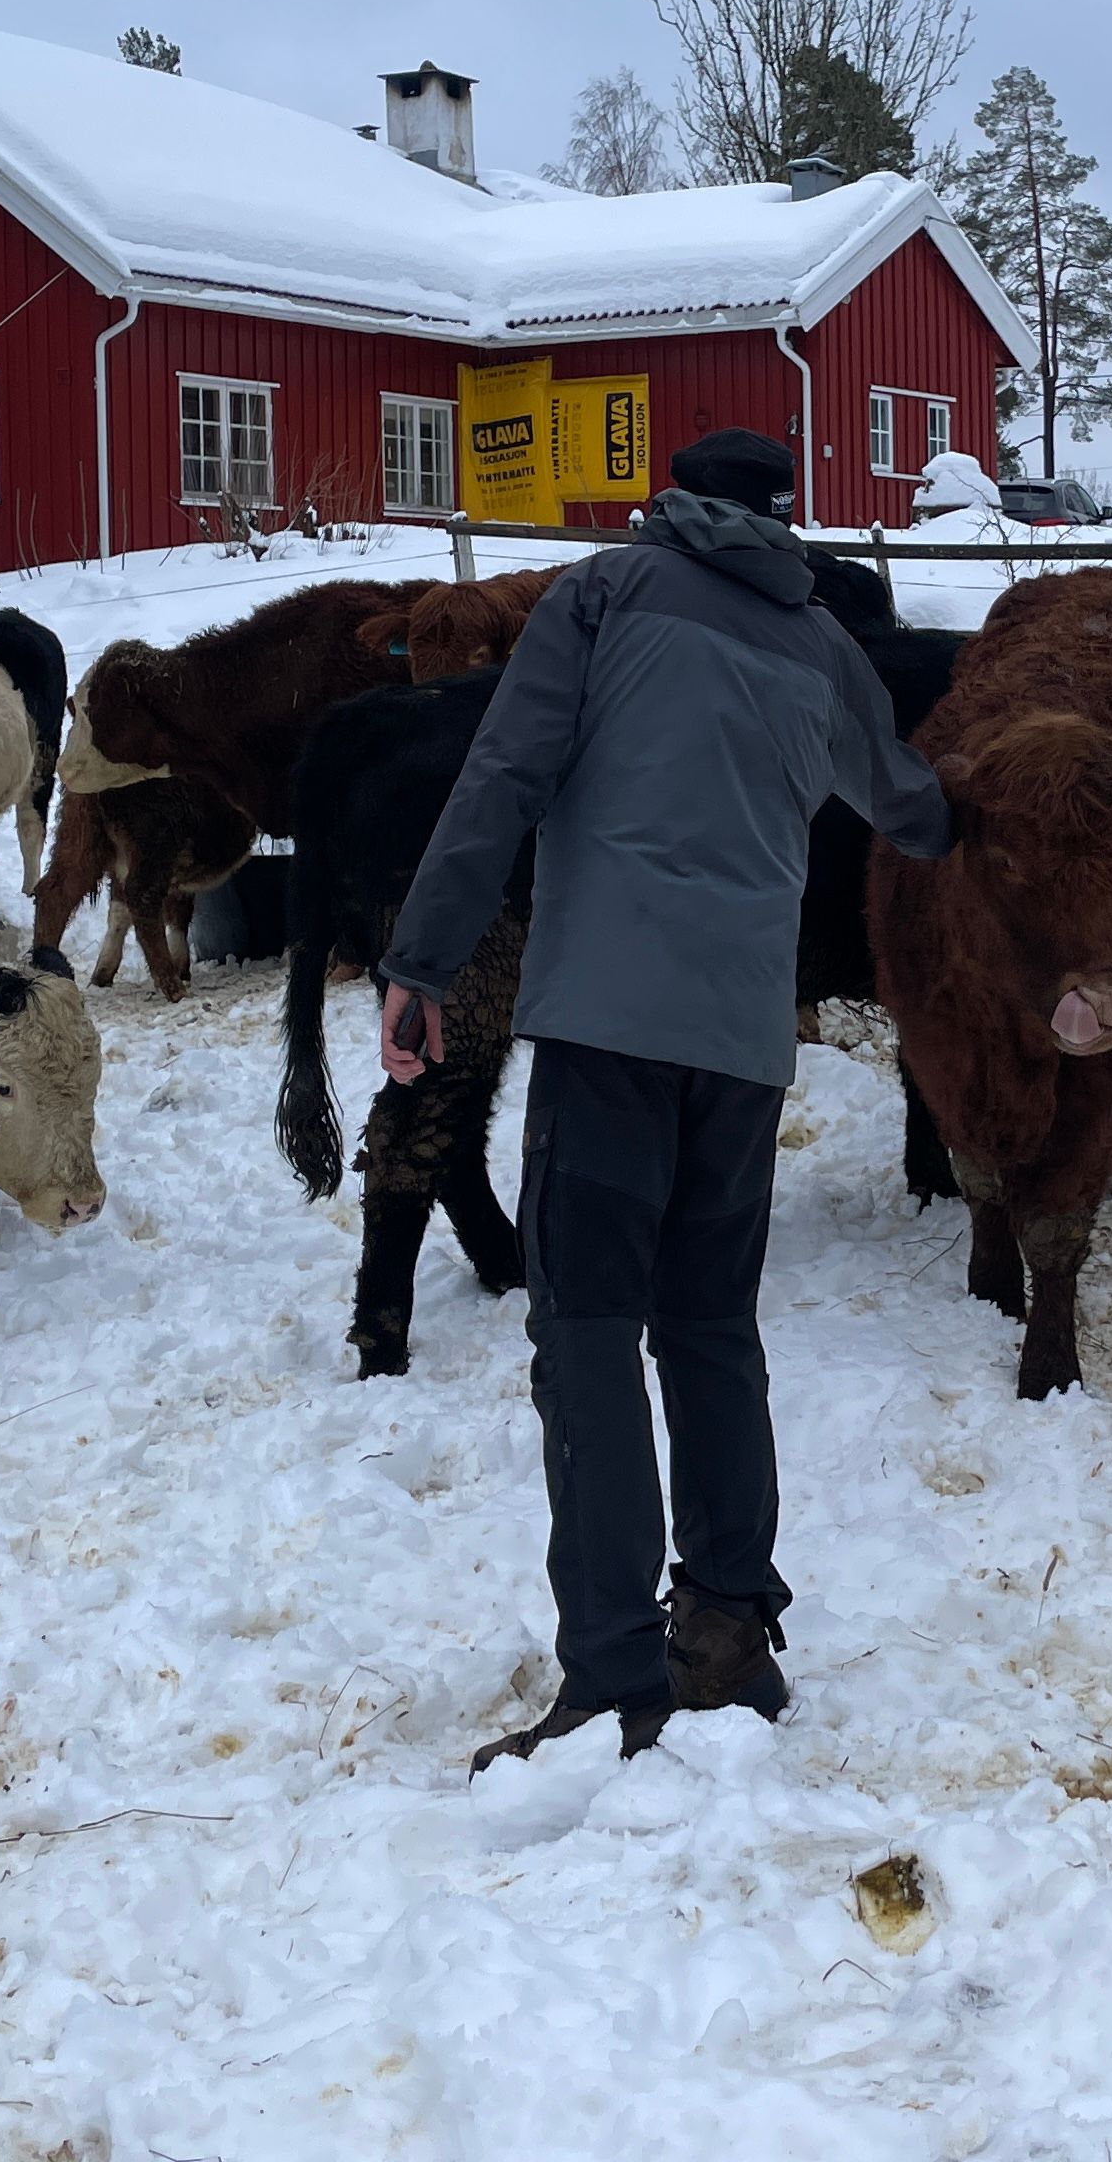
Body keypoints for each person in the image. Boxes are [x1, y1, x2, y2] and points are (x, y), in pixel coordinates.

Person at [375, 427, 954, 1771]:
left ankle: (615, 1680)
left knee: (583, 1337)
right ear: (782, 518)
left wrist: (423, 958)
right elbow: (915, 811)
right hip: (745, 1043)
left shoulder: (601, 596)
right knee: (709, 1330)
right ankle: (733, 1633)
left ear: (672, 501)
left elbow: (504, 774)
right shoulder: (822, 647)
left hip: (605, 1030)